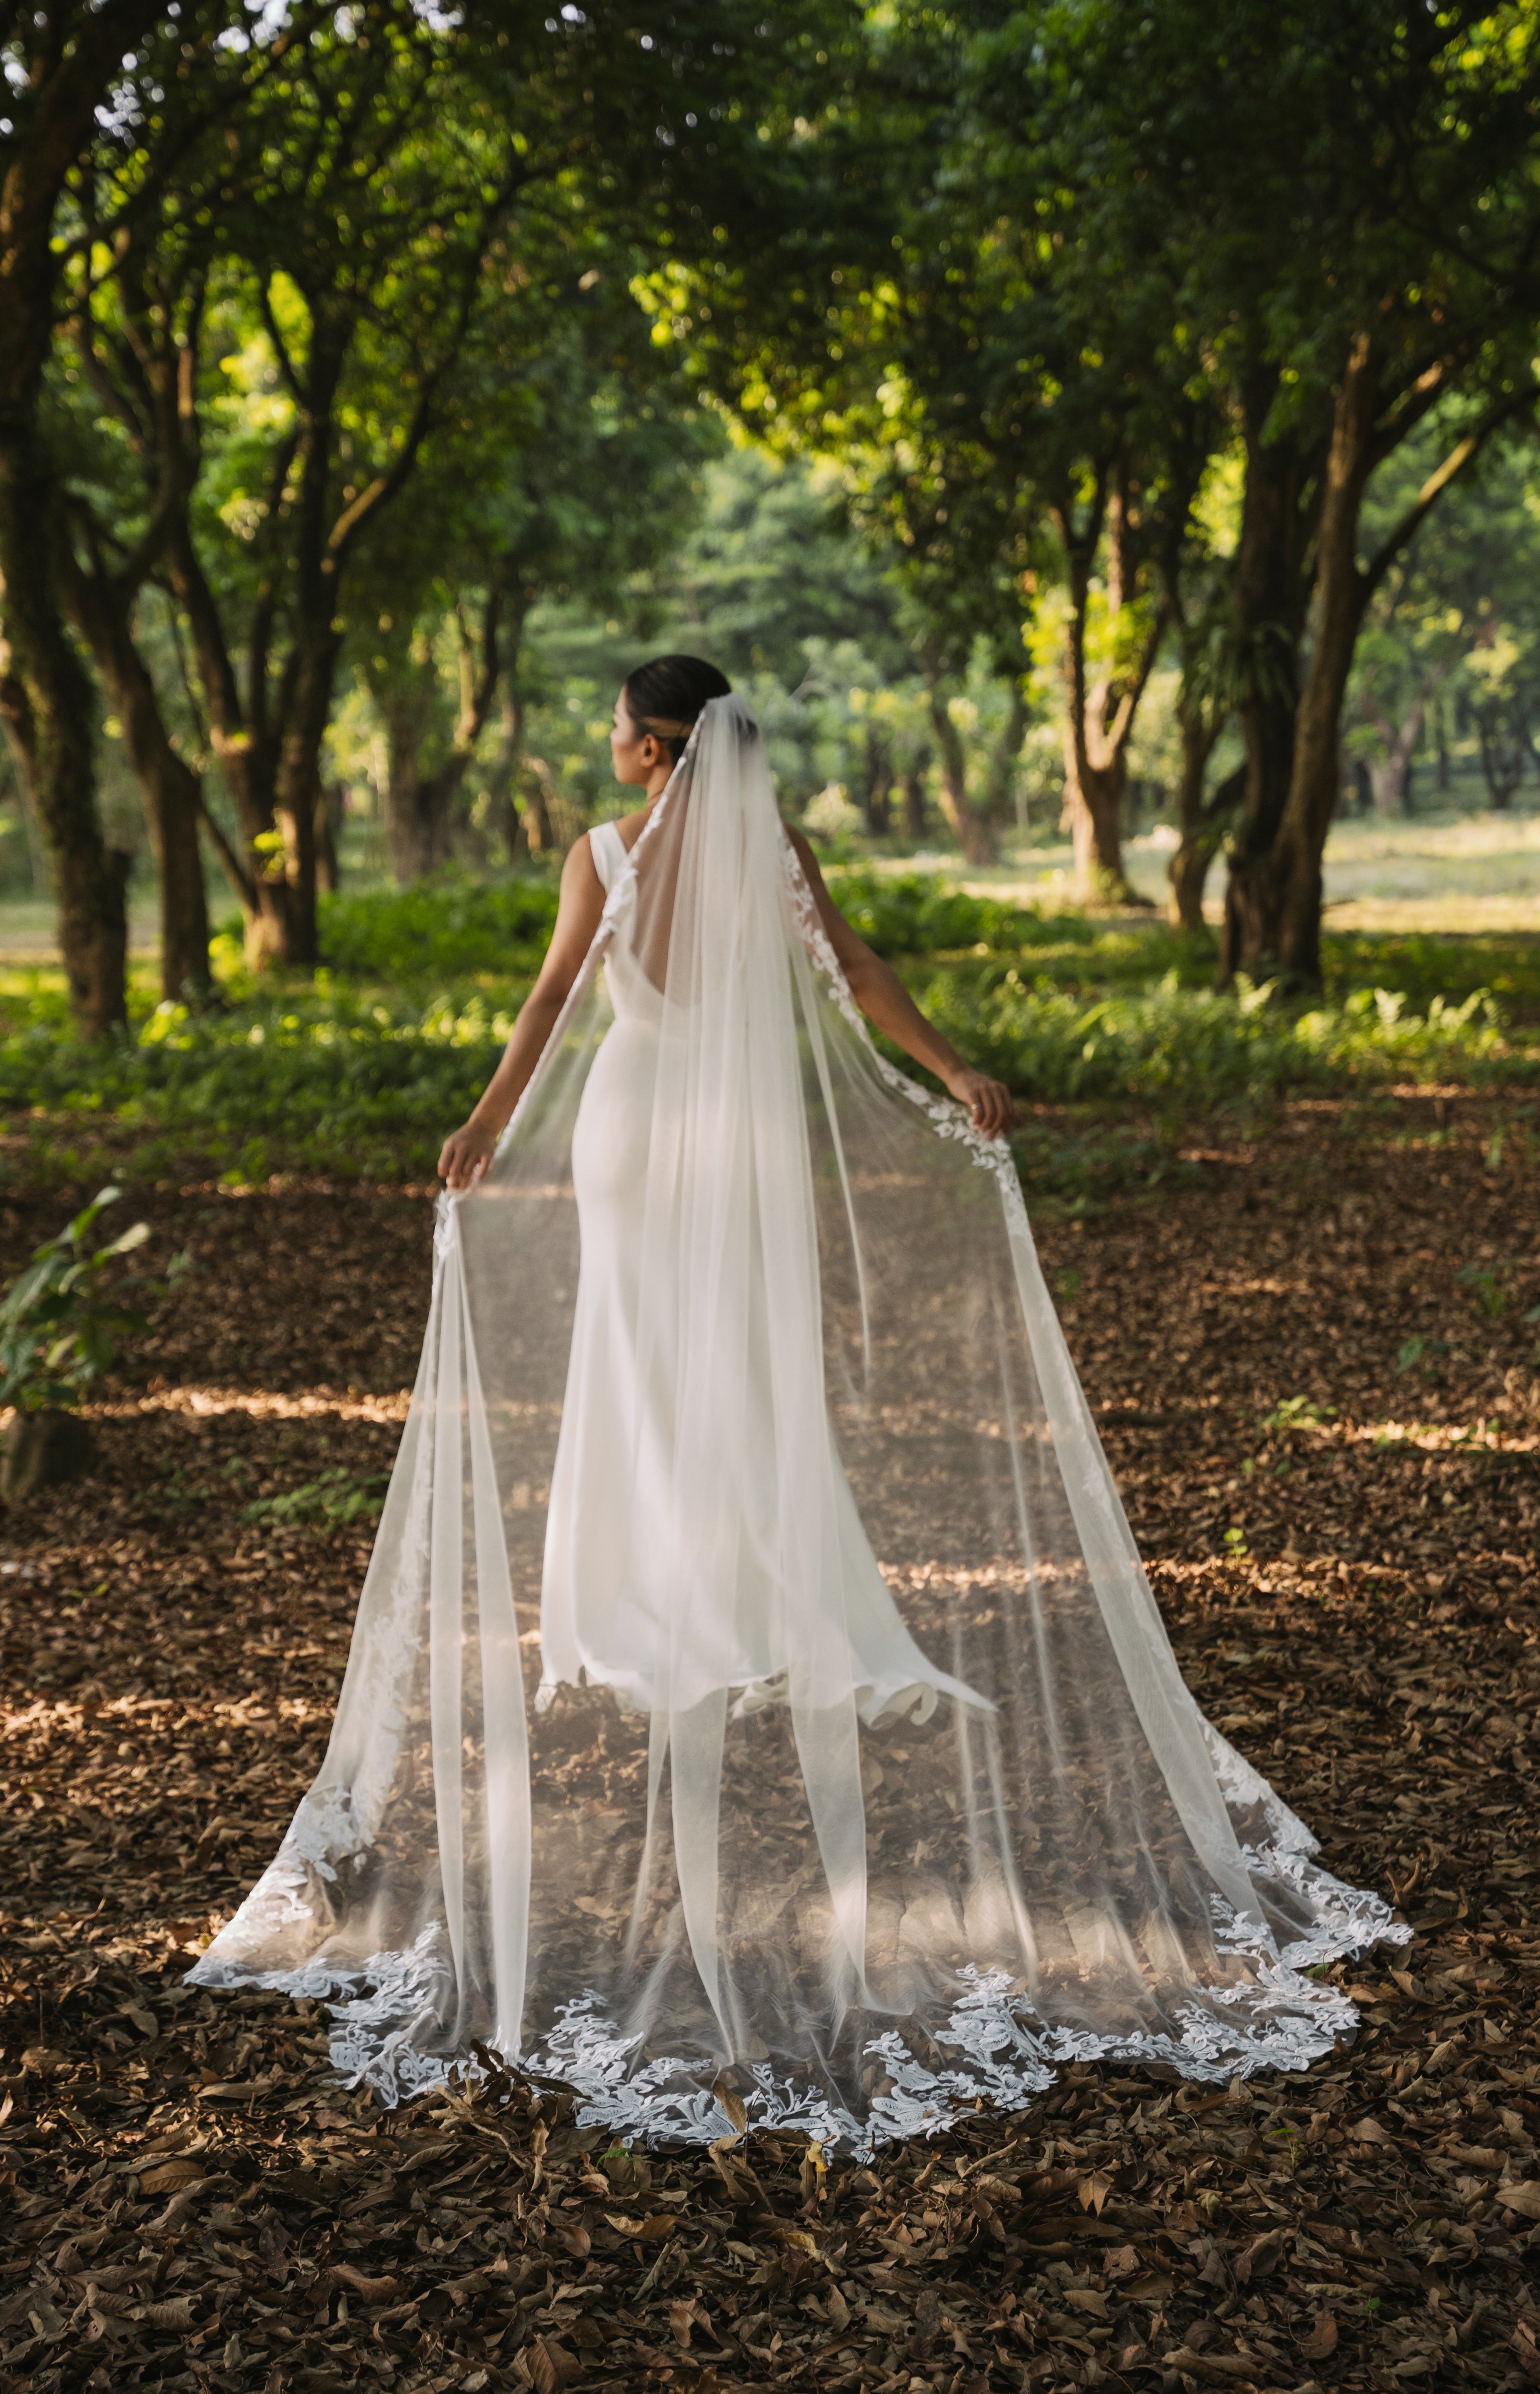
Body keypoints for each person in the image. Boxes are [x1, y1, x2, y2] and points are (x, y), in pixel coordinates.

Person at [191, 656, 1402, 2147]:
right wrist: (949, 1062)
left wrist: (489, 1122)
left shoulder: (605, 857)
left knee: (639, 1355)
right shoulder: (774, 849)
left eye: (621, 736)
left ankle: (655, 1590)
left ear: (647, 750)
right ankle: (734, 1578)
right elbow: (860, 971)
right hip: (738, 1138)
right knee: (735, 1361)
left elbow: (557, 1001)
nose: (619, 756)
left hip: (639, 1133)